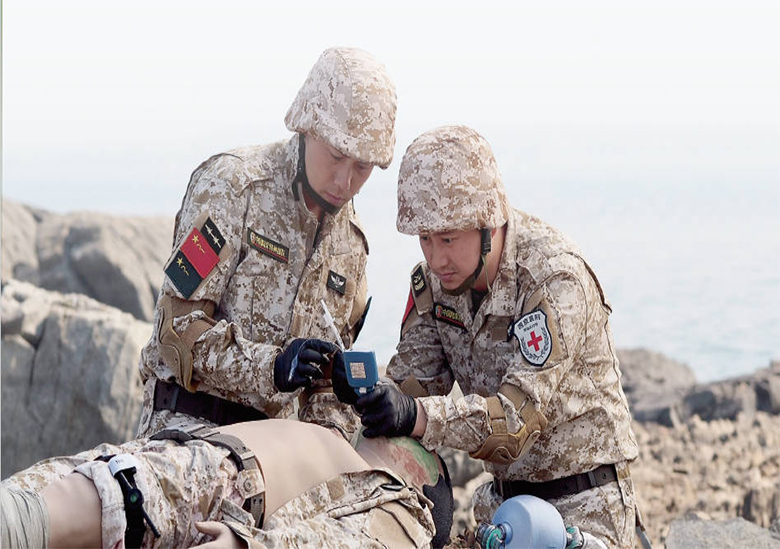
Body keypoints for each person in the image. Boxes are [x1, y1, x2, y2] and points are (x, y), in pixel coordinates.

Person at [333, 126, 646, 548]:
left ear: (489, 223)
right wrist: (361, 393)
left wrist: (415, 414)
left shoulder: (553, 279)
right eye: (425, 239)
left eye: (448, 239)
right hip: (502, 513)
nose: (436, 258)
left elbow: (513, 425)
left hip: (582, 510)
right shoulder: (435, 285)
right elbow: (411, 391)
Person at [135, 46, 397, 440]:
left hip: (275, 450)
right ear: (306, 127)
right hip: (187, 426)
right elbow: (175, 331)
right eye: (336, 156)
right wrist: (271, 367)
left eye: (363, 167)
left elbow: (324, 392)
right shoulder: (231, 187)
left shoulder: (351, 246)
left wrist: (339, 417)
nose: (345, 181)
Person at [2, 419, 454, 549]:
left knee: (29, 512)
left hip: (177, 456)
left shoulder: (407, 505)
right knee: (27, 519)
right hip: (208, 481)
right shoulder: (382, 486)